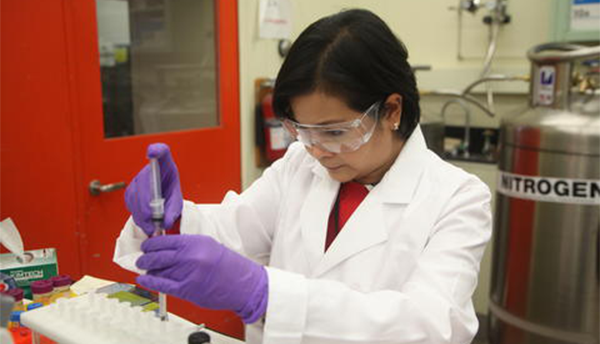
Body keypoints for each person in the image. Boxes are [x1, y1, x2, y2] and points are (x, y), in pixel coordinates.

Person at [114, 8, 492, 344]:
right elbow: (231, 230)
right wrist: (172, 219)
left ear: (392, 110)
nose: (317, 150)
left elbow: (431, 326)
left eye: (336, 131)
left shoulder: (457, 197)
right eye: (303, 130)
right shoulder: (300, 164)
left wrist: (264, 295)